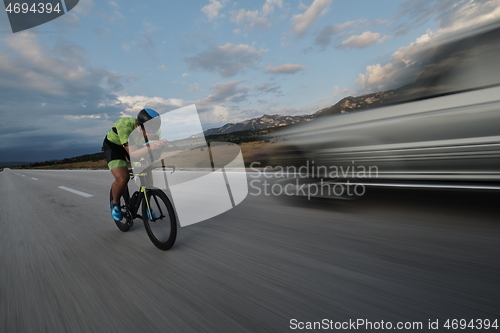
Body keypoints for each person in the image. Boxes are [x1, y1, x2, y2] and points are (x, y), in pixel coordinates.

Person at [102, 108, 167, 221]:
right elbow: (134, 155)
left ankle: (146, 205)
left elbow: (152, 154)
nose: (152, 133)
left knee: (147, 173)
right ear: (138, 125)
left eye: (155, 130)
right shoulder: (125, 126)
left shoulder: (155, 131)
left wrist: (159, 148)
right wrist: (150, 147)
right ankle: (115, 204)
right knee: (123, 178)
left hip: (136, 146)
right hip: (114, 147)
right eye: (149, 130)